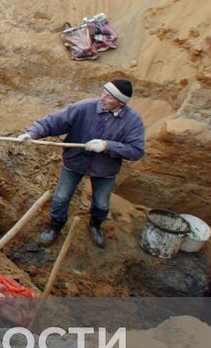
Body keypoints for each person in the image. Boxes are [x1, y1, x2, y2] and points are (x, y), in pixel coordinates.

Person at [19, 79, 145, 248]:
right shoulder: (84, 108)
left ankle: (95, 225)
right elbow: (52, 122)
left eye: (109, 97)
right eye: (103, 93)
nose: (103, 98)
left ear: (120, 103)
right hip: (75, 162)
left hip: (105, 169)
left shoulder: (133, 121)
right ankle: (56, 226)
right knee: (61, 198)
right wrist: (32, 133)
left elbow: (136, 150)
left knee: (101, 204)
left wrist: (107, 146)